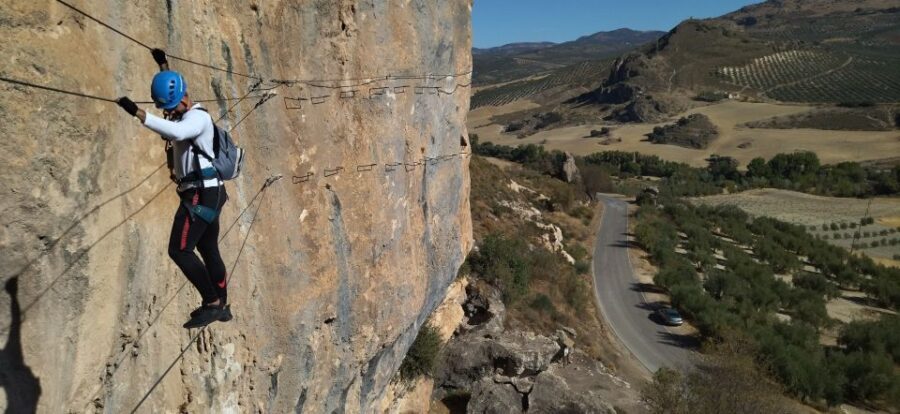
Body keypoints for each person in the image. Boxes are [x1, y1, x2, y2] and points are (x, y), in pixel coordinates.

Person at [116, 49, 231, 329]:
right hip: (210, 193)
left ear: (182, 100)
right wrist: (163, 64)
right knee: (207, 246)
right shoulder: (185, 111)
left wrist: (138, 113)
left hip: (200, 195)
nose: (166, 113)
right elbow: (173, 91)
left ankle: (213, 303)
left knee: (179, 250)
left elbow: (177, 133)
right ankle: (222, 303)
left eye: (168, 107)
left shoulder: (197, 119)